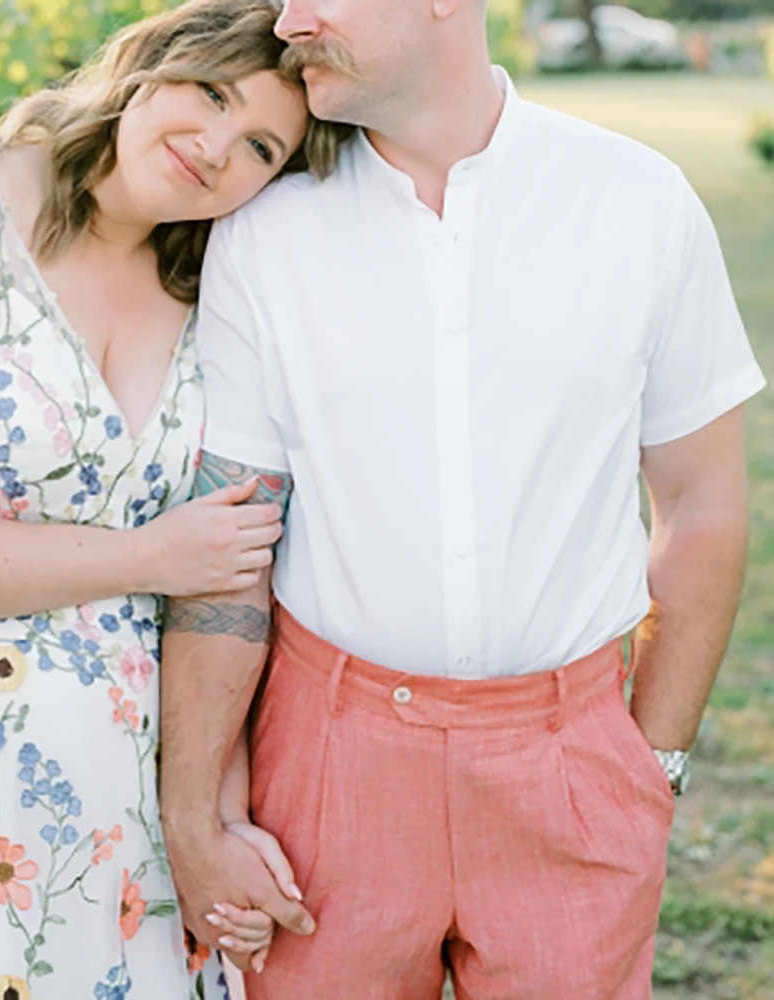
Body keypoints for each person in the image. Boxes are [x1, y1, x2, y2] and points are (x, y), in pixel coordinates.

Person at [159, 0, 768, 997]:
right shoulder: (263, 233)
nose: (287, 17)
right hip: (326, 770)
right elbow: (231, 548)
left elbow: (701, 502)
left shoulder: (638, 202)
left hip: (572, 768)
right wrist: (194, 815)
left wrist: (649, 766)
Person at [0, 3, 349, 997]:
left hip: (109, 807)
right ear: (149, 64)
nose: (215, 148)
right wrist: (143, 559)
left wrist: (214, 811)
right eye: (209, 93)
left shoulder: (218, 278)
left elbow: (229, 577)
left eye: (259, 144)